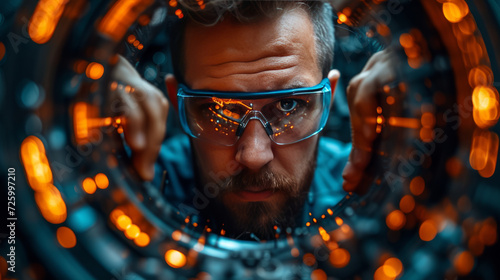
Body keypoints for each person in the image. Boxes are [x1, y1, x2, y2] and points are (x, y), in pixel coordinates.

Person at [111, 0, 395, 240]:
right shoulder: (126, 188)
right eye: (219, 109)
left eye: (288, 105)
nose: (254, 156)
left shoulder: (377, 186)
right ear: (176, 102)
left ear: (328, 99)